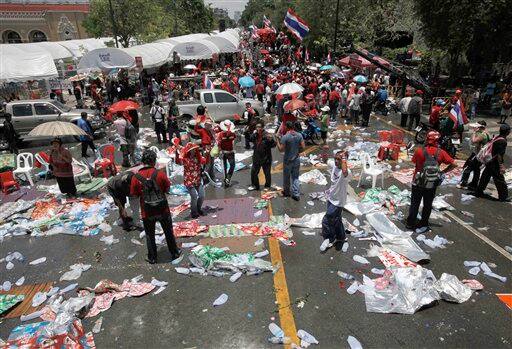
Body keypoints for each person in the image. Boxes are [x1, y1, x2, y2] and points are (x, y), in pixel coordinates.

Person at [130, 149, 181, 264]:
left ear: (142, 162)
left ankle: (152, 257)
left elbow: (134, 195)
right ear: (154, 161)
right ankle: (174, 253)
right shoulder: (160, 174)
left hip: (147, 212)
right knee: (168, 232)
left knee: (149, 234)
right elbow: (167, 189)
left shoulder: (136, 177)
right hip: (163, 210)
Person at [406, 131, 457, 232]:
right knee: (428, 204)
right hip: (431, 183)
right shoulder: (441, 152)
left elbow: (414, 162)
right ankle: (424, 222)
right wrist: (442, 172)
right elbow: (454, 164)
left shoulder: (419, 151)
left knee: (415, 203)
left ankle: (410, 223)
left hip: (418, 181)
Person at [320, 150, 351, 252]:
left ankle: (329, 239)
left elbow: (345, 172)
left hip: (338, 202)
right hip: (331, 198)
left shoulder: (346, 172)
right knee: (337, 220)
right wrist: (324, 153)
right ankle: (341, 238)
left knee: (327, 219)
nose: (336, 161)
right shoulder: (334, 165)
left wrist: (343, 159)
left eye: (339, 159)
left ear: (344, 161)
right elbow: (326, 160)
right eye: (336, 159)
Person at [475, 123, 510, 202]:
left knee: (485, 176)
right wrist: (501, 165)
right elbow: (499, 155)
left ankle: (479, 192)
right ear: (508, 132)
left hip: (489, 160)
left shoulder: (497, 137)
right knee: (500, 179)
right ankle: (503, 197)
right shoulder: (502, 141)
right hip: (495, 163)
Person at [277, 121, 305, 201]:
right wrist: (297, 152)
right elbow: (303, 147)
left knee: (286, 177)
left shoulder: (285, 137)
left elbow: (280, 149)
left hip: (288, 160)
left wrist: (277, 141)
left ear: (286, 127)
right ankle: (296, 193)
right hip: (296, 159)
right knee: (295, 177)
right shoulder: (299, 135)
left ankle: (287, 192)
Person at [457, 121, 490, 190]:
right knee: (476, 169)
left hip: (478, 155)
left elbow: (474, 140)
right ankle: (474, 184)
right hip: (478, 154)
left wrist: (474, 132)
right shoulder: (485, 133)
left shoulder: (482, 134)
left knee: (467, 168)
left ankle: (463, 183)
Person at [181, 141, 207, 218]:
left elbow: (205, 160)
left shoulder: (198, 157)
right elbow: (178, 160)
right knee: (194, 196)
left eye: (195, 149)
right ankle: (194, 212)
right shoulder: (185, 159)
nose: (193, 151)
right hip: (189, 181)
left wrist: (207, 153)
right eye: (192, 150)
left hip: (197, 180)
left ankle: (198, 209)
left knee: (202, 195)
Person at [249, 120, 276, 191]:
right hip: (256, 157)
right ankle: (255, 185)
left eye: (259, 127)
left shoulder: (267, 135)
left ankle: (267, 186)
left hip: (266, 158)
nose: (258, 128)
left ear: (262, 127)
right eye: (257, 127)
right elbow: (250, 139)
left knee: (267, 173)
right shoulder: (255, 135)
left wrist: (271, 140)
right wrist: (250, 133)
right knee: (254, 172)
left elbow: (274, 145)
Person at [217, 120, 237, 187]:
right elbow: (219, 144)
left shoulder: (232, 133)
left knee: (232, 165)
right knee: (224, 167)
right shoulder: (221, 134)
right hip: (224, 152)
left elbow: (235, 141)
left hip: (230, 152)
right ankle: (226, 180)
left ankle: (228, 178)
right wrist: (220, 152)